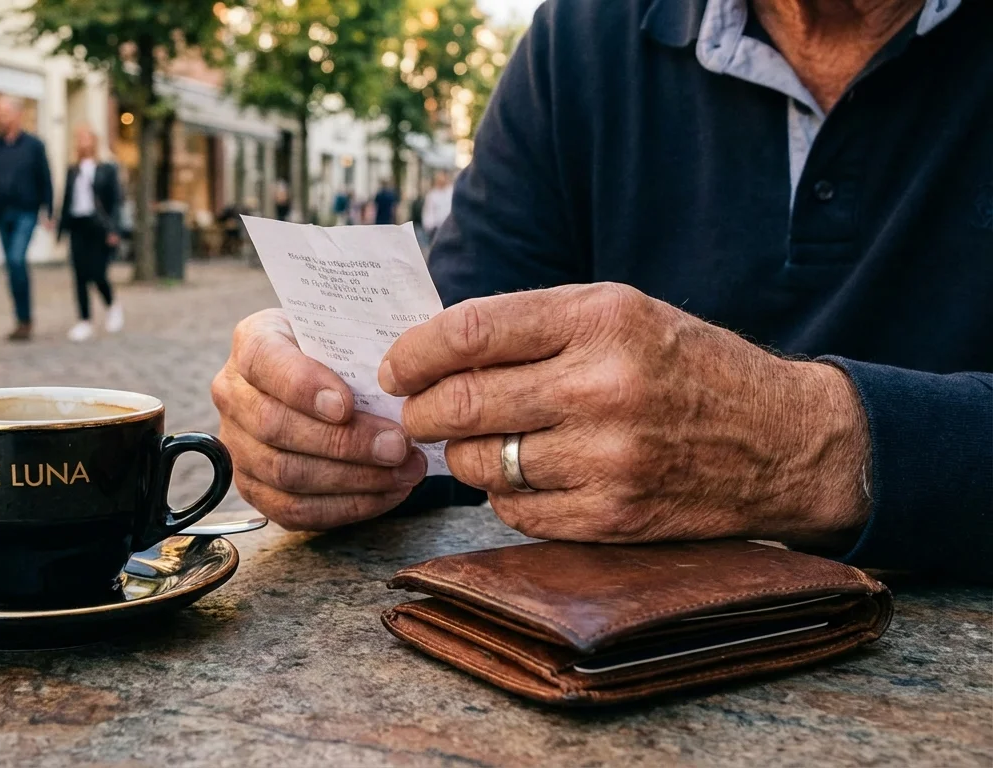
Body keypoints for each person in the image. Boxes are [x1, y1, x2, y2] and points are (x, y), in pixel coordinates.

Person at [210, 0, 993, 583]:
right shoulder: (582, 37)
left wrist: (810, 446)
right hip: (604, 657)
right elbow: (442, 371)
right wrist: (323, 423)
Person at [0, 96, 53, 342]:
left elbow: (45, 179)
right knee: (11, 266)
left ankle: (25, 318)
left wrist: (49, 210)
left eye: (3, 113)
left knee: (16, 260)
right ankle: (21, 319)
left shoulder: (34, 146)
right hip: (2, 213)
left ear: (17, 115)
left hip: (27, 212)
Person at [57, 126, 124, 343]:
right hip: (78, 224)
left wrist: (113, 229)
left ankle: (112, 305)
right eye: (78, 138)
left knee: (97, 272)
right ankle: (84, 320)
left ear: (94, 141)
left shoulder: (106, 168)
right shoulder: (72, 169)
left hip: (99, 226)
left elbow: (115, 202)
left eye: (85, 138)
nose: (81, 142)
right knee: (79, 275)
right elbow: (67, 200)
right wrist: (60, 229)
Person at [420, 171, 453, 245]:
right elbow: (428, 211)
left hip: (449, 228)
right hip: (436, 228)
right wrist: (429, 227)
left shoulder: (452, 192)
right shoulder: (432, 195)